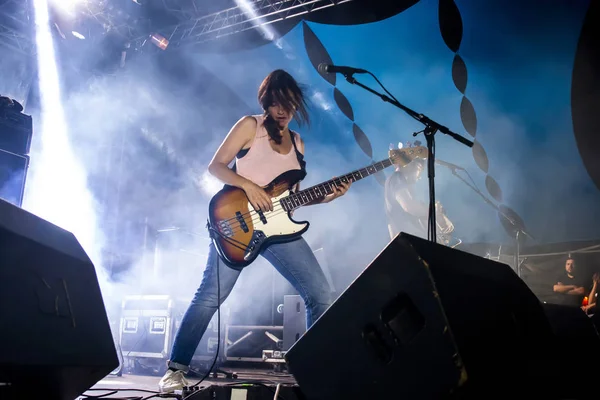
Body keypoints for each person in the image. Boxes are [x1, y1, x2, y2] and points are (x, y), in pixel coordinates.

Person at [158, 69, 351, 392]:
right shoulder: (250, 126)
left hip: (280, 231)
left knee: (321, 295)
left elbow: (290, 201)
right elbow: (216, 166)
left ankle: (312, 370)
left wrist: (327, 198)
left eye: (288, 104)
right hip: (237, 222)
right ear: (267, 102)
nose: (282, 111)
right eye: (276, 103)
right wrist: (248, 186)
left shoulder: (298, 144)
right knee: (210, 295)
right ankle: (176, 369)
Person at [384, 153, 453, 243]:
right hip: (407, 244)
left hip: (410, 242)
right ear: (410, 165)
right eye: (420, 169)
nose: (419, 176)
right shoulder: (397, 178)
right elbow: (409, 207)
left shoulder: (402, 183)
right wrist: (434, 210)